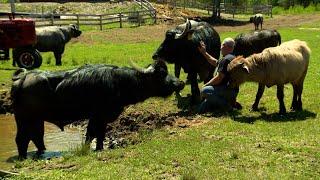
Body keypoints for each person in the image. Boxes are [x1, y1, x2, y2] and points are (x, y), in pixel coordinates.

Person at [197, 37, 241, 113]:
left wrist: (206, 85)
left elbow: (219, 78)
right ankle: (227, 104)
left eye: (221, 47)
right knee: (203, 106)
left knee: (205, 91)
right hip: (232, 91)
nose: (220, 49)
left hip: (227, 91)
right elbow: (215, 62)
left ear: (224, 46)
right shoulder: (231, 57)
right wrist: (204, 52)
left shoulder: (226, 59)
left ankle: (227, 106)